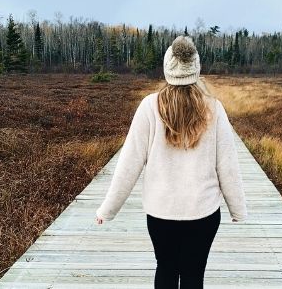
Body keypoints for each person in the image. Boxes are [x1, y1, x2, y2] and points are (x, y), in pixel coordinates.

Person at [95, 35, 248, 289]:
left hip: (161, 213)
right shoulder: (214, 108)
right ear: (195, 69)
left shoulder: (149, 107)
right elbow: (228, 165)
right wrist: (238, 209)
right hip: (203, 213)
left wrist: (107, 209)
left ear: (168, 68)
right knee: (193, 275)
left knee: (165, 269)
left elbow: (129, 163)